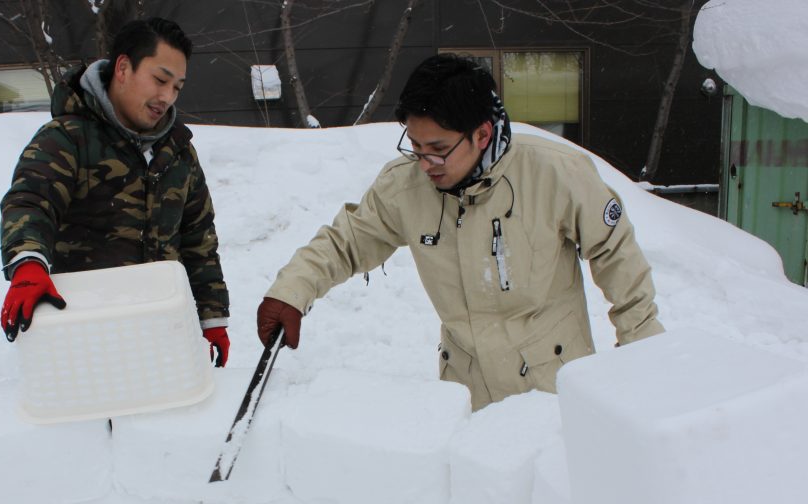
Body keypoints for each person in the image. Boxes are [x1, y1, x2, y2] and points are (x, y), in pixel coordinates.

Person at [256, 53, 664, 411]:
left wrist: (642, 355)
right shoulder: (405, 187)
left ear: (482, 134)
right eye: (415, 147)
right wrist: (291, 291)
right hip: (468, 393)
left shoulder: (554, 173)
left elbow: (617, 254)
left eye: (438, 149)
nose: (425, 163)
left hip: (553, 391)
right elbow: (346, 242)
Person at [0, 17, 230, 365]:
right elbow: (31, 201)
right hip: (81, 337)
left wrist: (212, 319)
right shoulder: (67, 139)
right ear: (123, 68)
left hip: (161, 333)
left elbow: (198, 239)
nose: (167, 97)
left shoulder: (178, 152)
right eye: (160, 79)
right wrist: (28, 263)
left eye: (177, 87)